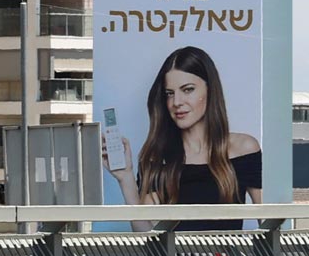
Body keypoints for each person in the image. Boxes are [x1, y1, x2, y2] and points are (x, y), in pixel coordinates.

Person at [104, 46, 262, 231]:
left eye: (188, 90)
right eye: (169, 93)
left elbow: (270, 224)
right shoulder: (157, 157)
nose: (176, 102)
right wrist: (126, 180)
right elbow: (146, 237)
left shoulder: (244, 149)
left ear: (210, 90)